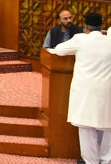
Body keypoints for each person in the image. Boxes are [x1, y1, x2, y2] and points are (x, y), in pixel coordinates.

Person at [48, 13, 111, 164]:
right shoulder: (109, 41)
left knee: (86, 128)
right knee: (107, 127)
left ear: (86, 27)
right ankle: (106, 160)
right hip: (106, 90)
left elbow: (59, 49)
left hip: (86, 92)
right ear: (101, 26)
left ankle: (91, 161)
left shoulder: (81, 39)